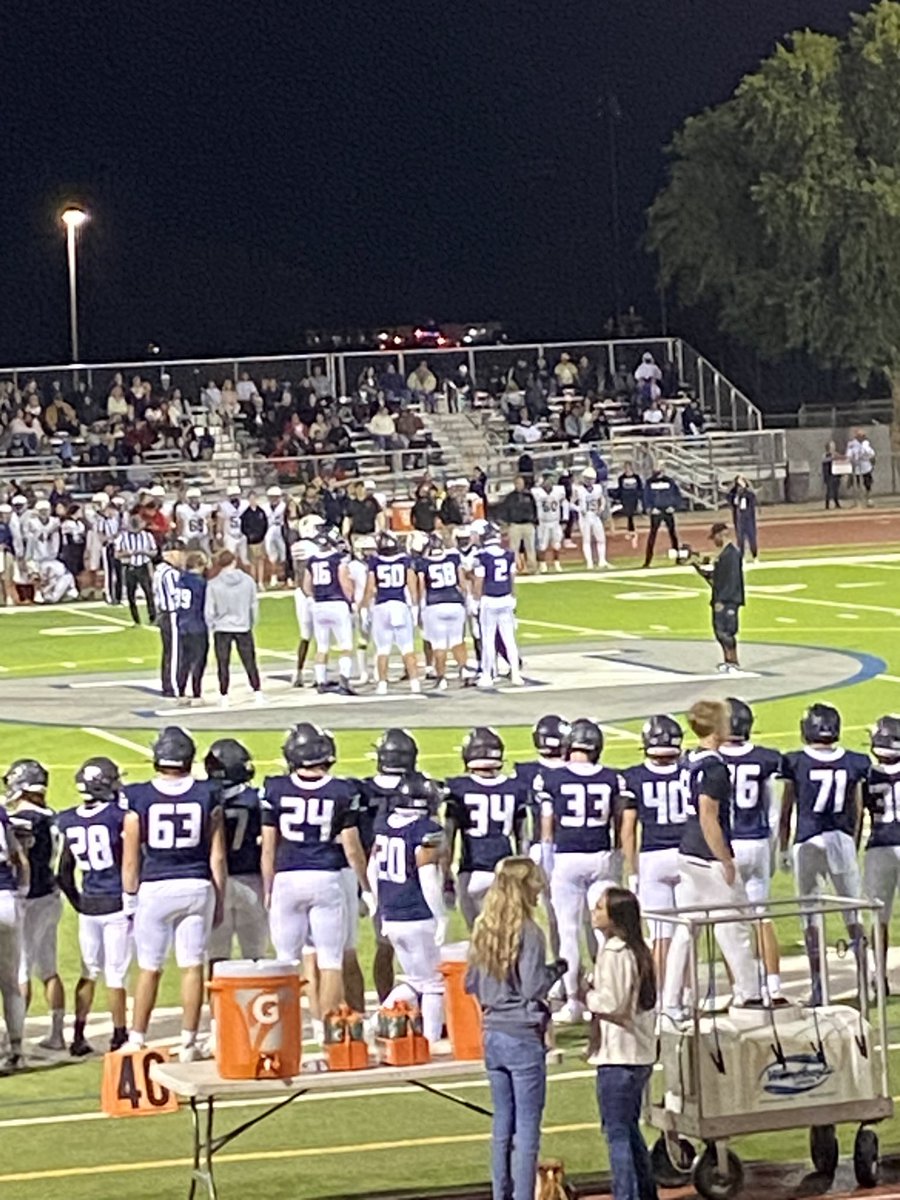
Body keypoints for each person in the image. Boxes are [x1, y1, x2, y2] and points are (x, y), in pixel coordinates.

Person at [261, 723, 374, 1043]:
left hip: (287, 877)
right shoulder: (343, 791)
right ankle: (329, 1034)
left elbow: (269, 847)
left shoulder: (275, 788)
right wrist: (367, 888)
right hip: (326, 878)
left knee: (285, 963)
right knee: (331, 961)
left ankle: (283, 1034)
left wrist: (269, 887)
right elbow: (352, 848)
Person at [122, 726, 226, 1060]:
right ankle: (188, 1042)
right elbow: (217, 854)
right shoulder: (207, 793)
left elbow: (131, 855)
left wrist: (129, 897)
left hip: (156, 887)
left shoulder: (139, 795)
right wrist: (220, 895)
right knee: (192, 966)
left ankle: (137, 1038)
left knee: (150, 967)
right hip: (197, 885)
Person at [465, 857, 564, 1200]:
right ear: (524, 888)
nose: (539, 889)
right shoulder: (530, 933)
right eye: (535, 883)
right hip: (522, 1034)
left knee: (501, 1126)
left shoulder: (483, 930)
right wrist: (557, 971)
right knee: (527, 1130)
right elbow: (533, 986)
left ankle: (501, 1194)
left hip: (492, 1032)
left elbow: (470, 983)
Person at [661, 699, 762, 1021]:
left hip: (687, 851)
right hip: (707, 855)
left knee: (685, 932)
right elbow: (709, 815)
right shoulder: (714, 767)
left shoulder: (690, 759)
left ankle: (671, 1002)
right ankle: (749, 995)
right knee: (735, 928)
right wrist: (725, 858)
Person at [780, 702, 870, 1005]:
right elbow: (857, 810)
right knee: (852, 913)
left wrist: (782, 845)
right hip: (841, 839)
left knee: (810, 915)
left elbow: (786, 807)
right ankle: (865, 978)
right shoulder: (855, 762)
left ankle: (820, 986)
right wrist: (852, 844)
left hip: (807, 840)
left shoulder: (795, 761)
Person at [538, 719, 623, 1024]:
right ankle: (609, 994)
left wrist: (547, 860)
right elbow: (618, 819)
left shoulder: (552, 779)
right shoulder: (612, 778)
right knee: (606, 932)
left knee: (569, 933)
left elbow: (547, 826)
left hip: (568, 857)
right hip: (600, 855)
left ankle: (573, 1001)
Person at [56, 757, 131, 1055]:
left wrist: (79, 903)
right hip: (115, 902)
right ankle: (119, 1034)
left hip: (89, 903)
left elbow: (63, 872)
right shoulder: (117, 816)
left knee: (90, 971)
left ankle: (78, 1035)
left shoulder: (69, 819)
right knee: (116, 974)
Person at [588, 887, 658, 1200]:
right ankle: (644, 1191)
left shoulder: (615, 953)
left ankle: (626, 1194)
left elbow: (614, 1003)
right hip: (637, 1055)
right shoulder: (637, 950)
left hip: (619, 1057)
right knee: (629, 1129)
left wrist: (587, 994)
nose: (594, 911)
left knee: (616, 1132)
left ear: (615, 917)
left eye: (601, 908)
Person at [368, 772, 447, 1045]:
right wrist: (441, 915)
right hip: (417, 915)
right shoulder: (425, 829)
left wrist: (379, 904)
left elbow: (372, 868)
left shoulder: (385, 825)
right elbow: (427, 877)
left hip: (392, 915)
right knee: (435, 984)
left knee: (416, 981)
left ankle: (374, 1021)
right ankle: (432, 1042)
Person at [719, 698, 786, 1005]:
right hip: (757, 840)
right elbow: (772, 810)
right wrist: (772, 849)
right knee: (762, 916)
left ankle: (742, 989)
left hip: (727, 845)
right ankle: (774, 985)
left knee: (728, 923)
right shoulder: (766, 759)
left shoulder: (708, 758)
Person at [619, 715, 687, 986]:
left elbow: (627, 830)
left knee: (661, 934)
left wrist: (632, 871)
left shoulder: (634, 776)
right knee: (685, 934)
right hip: (685, 855)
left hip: (653, 856)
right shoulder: (688, 771)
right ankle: (683, 997)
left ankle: (659, 1000)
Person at [5, 759, 67, 1051]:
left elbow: (17, 855)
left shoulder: (25, 819)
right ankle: (57, 1033)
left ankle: (14, 1036)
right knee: (48, 969)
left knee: (21, 970)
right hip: (52, 896)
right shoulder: (53, 816)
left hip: (30, 900)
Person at [445, 728, 529, 927]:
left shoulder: (459, 788)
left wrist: (446, 879)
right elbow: (523, 838)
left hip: (472, 871)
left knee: (479, 940)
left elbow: (448, 839)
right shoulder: (515, 788)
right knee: (506, 936)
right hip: (505, 871)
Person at [360, 729, 421, 1000]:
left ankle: (388, 1002)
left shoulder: (361, 789)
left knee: (384, 945)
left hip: (378, 872)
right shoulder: (420, 786)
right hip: (414, 873)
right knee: (419, 946)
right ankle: (420, 999)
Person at [204, 740, 267, 963]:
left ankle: (216, 1000)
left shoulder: (204, 797)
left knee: (216, 956)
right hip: (250, 879)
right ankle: (256, 999)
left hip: (214, 880)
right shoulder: (255, 799)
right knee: (255, 955)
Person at [862, 715, 900, 991]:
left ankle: (879, 974)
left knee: (879, 917)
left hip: (880, 845)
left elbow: (854, 814)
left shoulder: (867, 775)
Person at [363, 530, 420, 696]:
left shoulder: (375, 561)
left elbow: (370, 587)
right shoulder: (404, 560)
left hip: (382, 606)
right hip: (399, 605)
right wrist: (415, 606)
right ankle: (415, 683)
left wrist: (365, 608)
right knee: (407, 647)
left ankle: (382, 684)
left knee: (382, 649)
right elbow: (411, 584)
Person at [204, 550, 263, 707]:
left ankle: (224, 695)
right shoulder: (248, 581)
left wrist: (212, 625)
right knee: (250, 661)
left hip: (222, 627)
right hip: (243, 626)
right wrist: (251, 623)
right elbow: (253, 605)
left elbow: (209, 610)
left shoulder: (213, 584)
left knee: (223, 663)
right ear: (234, 561)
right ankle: (257, 692)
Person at [304, 528, 356, 695]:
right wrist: (351, 601)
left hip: (319, 605)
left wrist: (314, 599)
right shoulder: (338, 559)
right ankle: (344, 682)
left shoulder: (311, 560)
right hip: (337, 604)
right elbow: (344, 582)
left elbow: (306, 585)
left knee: (322, 646)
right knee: (346, 645)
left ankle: (320, 681)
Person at [472, 523, 523, 689]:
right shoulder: (508, 555)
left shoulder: (482, 556)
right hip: (506, 598)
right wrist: (513, 596)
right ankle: (515, 673)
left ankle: (488, 675)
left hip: (490, 599)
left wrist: (476, 600)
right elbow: (512, 577)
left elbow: (479, 581)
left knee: (487, 640)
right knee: (510, 640)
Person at [417, 532, 469, 689]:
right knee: (457, 641)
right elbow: (462, 582)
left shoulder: (423, 563)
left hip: (435, 604)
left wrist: (420, 606)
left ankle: (441, 678)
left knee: (439, 644)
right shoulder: (453, 558)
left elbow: (421, 586)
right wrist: (466, 599)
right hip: (455, 602)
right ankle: (464, 671)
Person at [691, 522, 746, 673]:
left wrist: (722, 599)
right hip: (722, 598)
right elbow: (717, 579)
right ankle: (728, 661)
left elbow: (731, 579)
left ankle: (733, 662)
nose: (714, 542)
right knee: (720, 631)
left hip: (727, 600)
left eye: (715, 537)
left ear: (721, 535)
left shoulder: (731, 554)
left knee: (726, 631)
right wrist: (698, 568)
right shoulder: (724, 554)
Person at [153, 539, 185, 700]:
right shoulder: (171, 573)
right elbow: (176, 595)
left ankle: (168, 683)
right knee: (174, 651)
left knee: (169, 651)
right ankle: (172, 685)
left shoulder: (160, 570)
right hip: (172, 613)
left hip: (164, 614)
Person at [176, 552, 209, 704]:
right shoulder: (199, 583)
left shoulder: (180, 579)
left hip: (182, 623)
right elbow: (205, 605)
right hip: (197, 624)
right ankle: (196, 693)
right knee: (198, 661)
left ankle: (181, 692)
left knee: (184, 661)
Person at [115, 516, 158, 625]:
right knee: (131, 594)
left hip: (143, 566)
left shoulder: (147, 536)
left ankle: (153, 616)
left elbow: (154, 552)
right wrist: (128, 553)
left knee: (149, 592)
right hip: (130, 566)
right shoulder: (123, 537)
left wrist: (144, 552)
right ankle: (136, 618)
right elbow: (117, 554)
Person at [641, 468, 681, 567]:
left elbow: (676, 495)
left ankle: (678, 557)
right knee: (652, 535)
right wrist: (650, 508)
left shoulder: (669, 481)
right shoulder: (649, 482)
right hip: (656, 511)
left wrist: (673, 506)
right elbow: (646, 496)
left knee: (673, 534)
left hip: (668, 510)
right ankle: (648, 560)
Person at [572, 466, 609, 570]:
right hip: (585, 517)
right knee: (587, 540)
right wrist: (580, 509)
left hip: (595, 515)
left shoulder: (597, 488)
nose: (589, 481)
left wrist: (601, 507)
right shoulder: (578, 490)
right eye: (587, 478)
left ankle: (602, 560)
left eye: (591, 478)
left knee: (601, 538)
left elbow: (602, 499)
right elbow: (571, 503)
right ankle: (590, 562)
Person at [501, 476, 538, 574]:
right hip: (515, 524)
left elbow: (534, 509)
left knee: (530, 547)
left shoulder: (529, 496)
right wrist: (507, 523)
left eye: (521, 483)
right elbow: (505, 510)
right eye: (517, 483)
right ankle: (516, 568)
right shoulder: (510, 497)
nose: (519, 485)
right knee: (514, 548)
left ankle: (532, 568)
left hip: (528, 523)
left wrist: (534, 521)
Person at [531, 473, 567, 574]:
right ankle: (542, 564)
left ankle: (556, 563)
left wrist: (564, 519)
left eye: (551, 481)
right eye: (547, 481)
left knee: (556, 544)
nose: (549, 483)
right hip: (543, 522)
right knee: (542, 545)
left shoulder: (558, 491)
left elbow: (565, 504)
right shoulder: (536, 492)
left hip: (555, 521)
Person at [240, 493, 269, 587]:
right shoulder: (246, 513)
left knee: (261, 561)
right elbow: (243, 527)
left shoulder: (261, 512)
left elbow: (265, 525)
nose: (253, 501)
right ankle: (253, 581)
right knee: (253, 562)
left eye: (254, 499)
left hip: (260, 539)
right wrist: (250, 535)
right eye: (251, 499)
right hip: (251, 541)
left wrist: (261, 535)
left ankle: (260, 581)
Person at [726, 476, 758, 560]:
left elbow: (752, 497)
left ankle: (754, 555)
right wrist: (735, 487)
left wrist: (745, 488)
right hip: (739, 518)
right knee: (740, 539)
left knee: (752, 537)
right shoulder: (735, 495)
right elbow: (729, 496)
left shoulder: (749, 494)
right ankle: (741, 556)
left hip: (749, 517)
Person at [616, 461, 643, 549]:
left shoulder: (636, 477)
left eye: (628, 467)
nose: (627, 469)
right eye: (625, 467)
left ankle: (631, 530)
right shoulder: (621, 478)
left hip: (634, 498)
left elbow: (639, 488)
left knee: (631, 514)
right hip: (626, 498)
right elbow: (620, 489)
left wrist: (639, 498)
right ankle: (631, 530)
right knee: (629, 514)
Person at [846, 428, 876, 507]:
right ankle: (858, 501)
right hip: (856, 466)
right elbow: (849, 455)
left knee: (868, 483)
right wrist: (852, 459)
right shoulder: (852, 444)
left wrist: (866, 452)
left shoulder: (866, 443)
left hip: (866, 465)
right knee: (857, 484)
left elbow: (871, 453)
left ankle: (868, 499)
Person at [822, 441, 843, 510]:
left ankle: (837, 503)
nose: (833, 448)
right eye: (831, 446)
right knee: (829, 490)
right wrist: (832, 458)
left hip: (836, 475)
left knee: (836, 490)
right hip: (829, 475)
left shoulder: (836, 454)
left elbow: (841, 459)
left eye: (833, 446)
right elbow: (824, 460)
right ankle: (827, 505)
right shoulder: (825, 455)